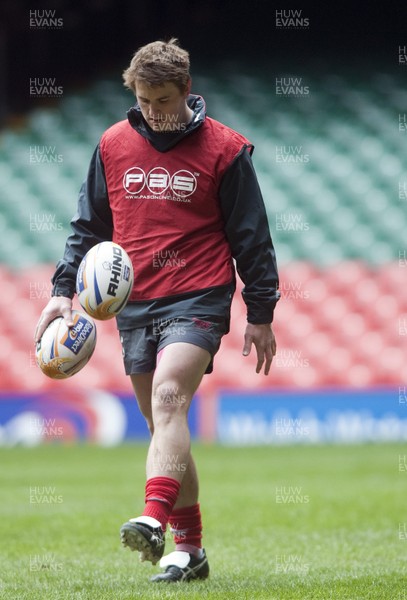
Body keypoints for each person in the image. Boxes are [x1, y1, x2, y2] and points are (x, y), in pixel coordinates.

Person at [34, 38, 280, 584]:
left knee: (170, 396)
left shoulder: (226, 150)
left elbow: (252, 237)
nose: (154, 112)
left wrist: (260, 311)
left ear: (187, 91)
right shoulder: (112, 145)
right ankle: (190, 552)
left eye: (164, 100)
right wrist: (61, 291)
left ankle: (152, 518)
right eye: (144, 100)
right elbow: (89, 227)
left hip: (199, 293)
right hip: (134, 300)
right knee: (162, 424)